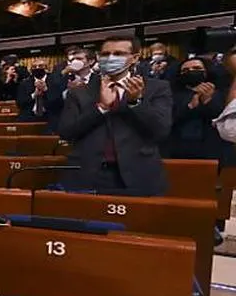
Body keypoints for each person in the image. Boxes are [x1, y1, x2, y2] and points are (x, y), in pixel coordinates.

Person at [59, 35, 171, 196]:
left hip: (138, 173)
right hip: (88, 174)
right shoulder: (79, 92)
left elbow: (160, 130)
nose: (111, 58)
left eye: (118, 54)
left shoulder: (156, 88)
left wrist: (135, 103)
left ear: (134, 58)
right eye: (105, 54)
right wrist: (101, 108)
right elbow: (67, 132)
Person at [165, 58, 226, 160]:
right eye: (185, 70)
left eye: (196, 68)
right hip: (178, 148)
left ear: (206, 72)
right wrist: (190, 106)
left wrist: (207, 101)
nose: (191, 71)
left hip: (212, 149)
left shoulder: (220, 94)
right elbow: (167, 119)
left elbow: (222, 117)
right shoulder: (170, 95)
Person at [17, 58, 62, 130]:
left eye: (40, 66)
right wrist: (34, 95)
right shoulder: (24, 83)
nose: (37, 68)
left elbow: (59, 103)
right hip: (29, 115)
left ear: (46, 68)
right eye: (34, 67)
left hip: (50, 115)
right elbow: (20, 103)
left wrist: (46, 90)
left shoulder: (55, 81)